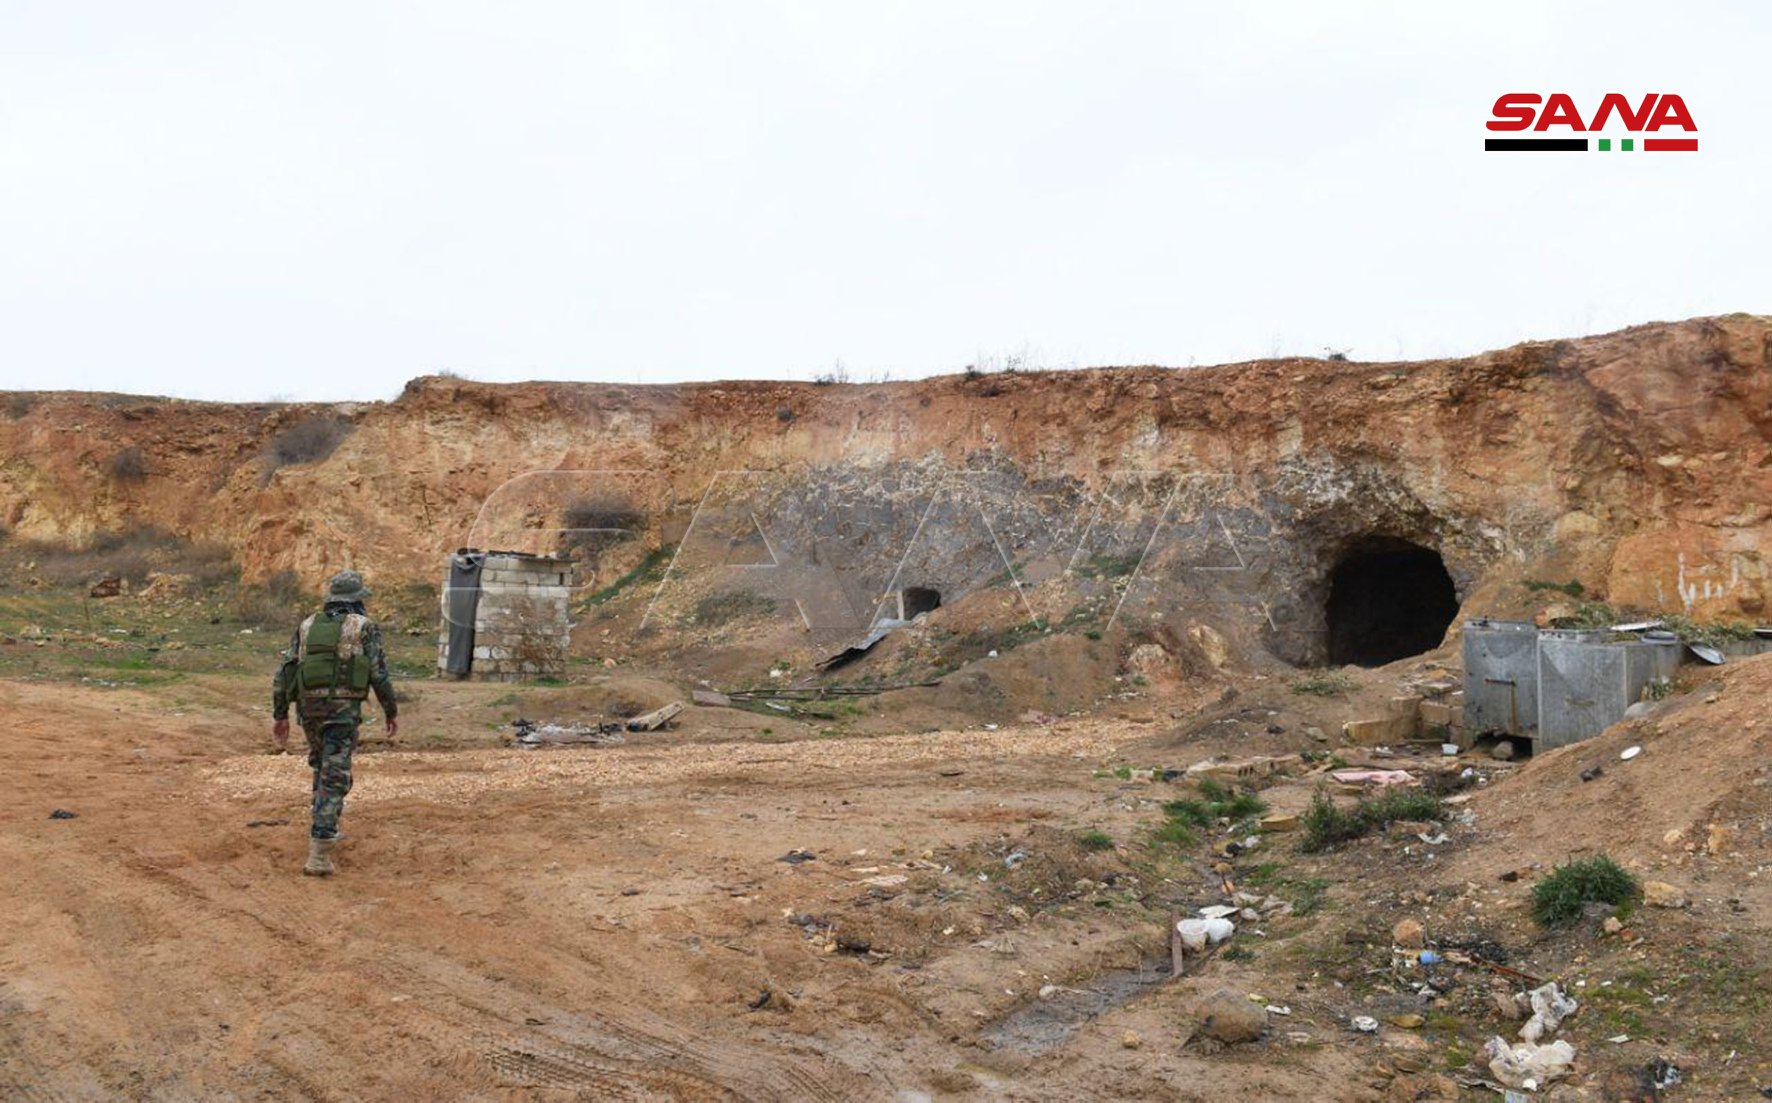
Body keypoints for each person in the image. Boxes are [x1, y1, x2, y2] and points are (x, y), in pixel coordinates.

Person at [271, 569, 399, 875]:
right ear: (357, 600)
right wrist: (390, 710)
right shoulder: (364, 626)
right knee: (335, 776)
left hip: (309, 710)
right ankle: (320, 850)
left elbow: (285, 672)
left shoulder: (307, 625)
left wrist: (280, 715)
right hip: (342, 712)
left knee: (322, 766)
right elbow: (378, 673)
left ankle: (324, 827)